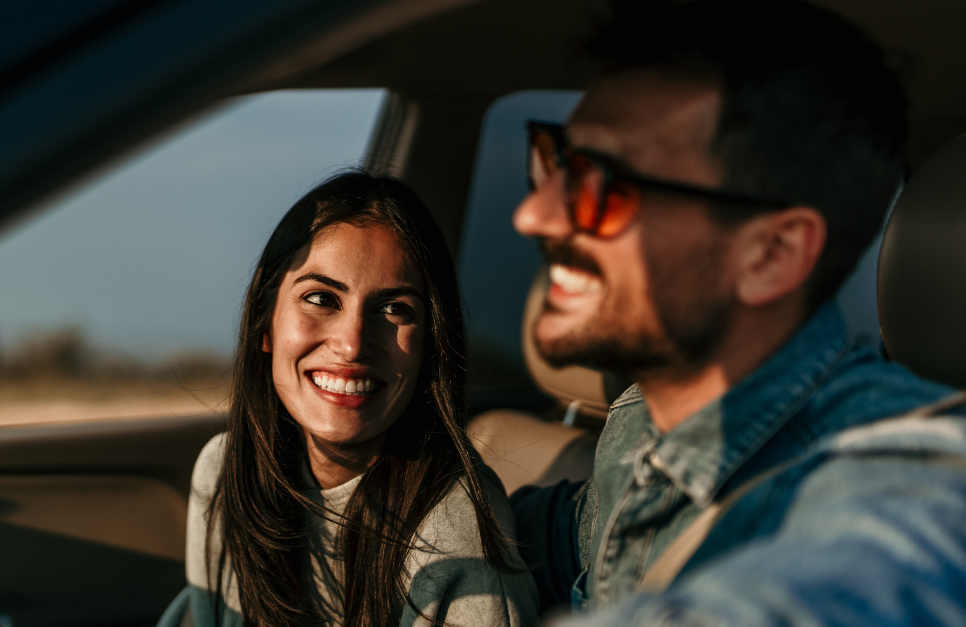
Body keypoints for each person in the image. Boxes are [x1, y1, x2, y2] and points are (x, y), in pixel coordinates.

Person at [509, 0, 966, 624]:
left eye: (603, 184)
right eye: (555, 162)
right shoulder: (647, 420)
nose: (533, 215)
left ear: (770, 256)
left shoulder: (914, 481)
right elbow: (577, 534)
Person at [159, 171, 538, 627]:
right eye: (321, 298)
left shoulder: (453, 532)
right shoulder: (224, 470)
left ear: (430, 347)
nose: (353, 344)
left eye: (395, 309)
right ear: (266, 321)